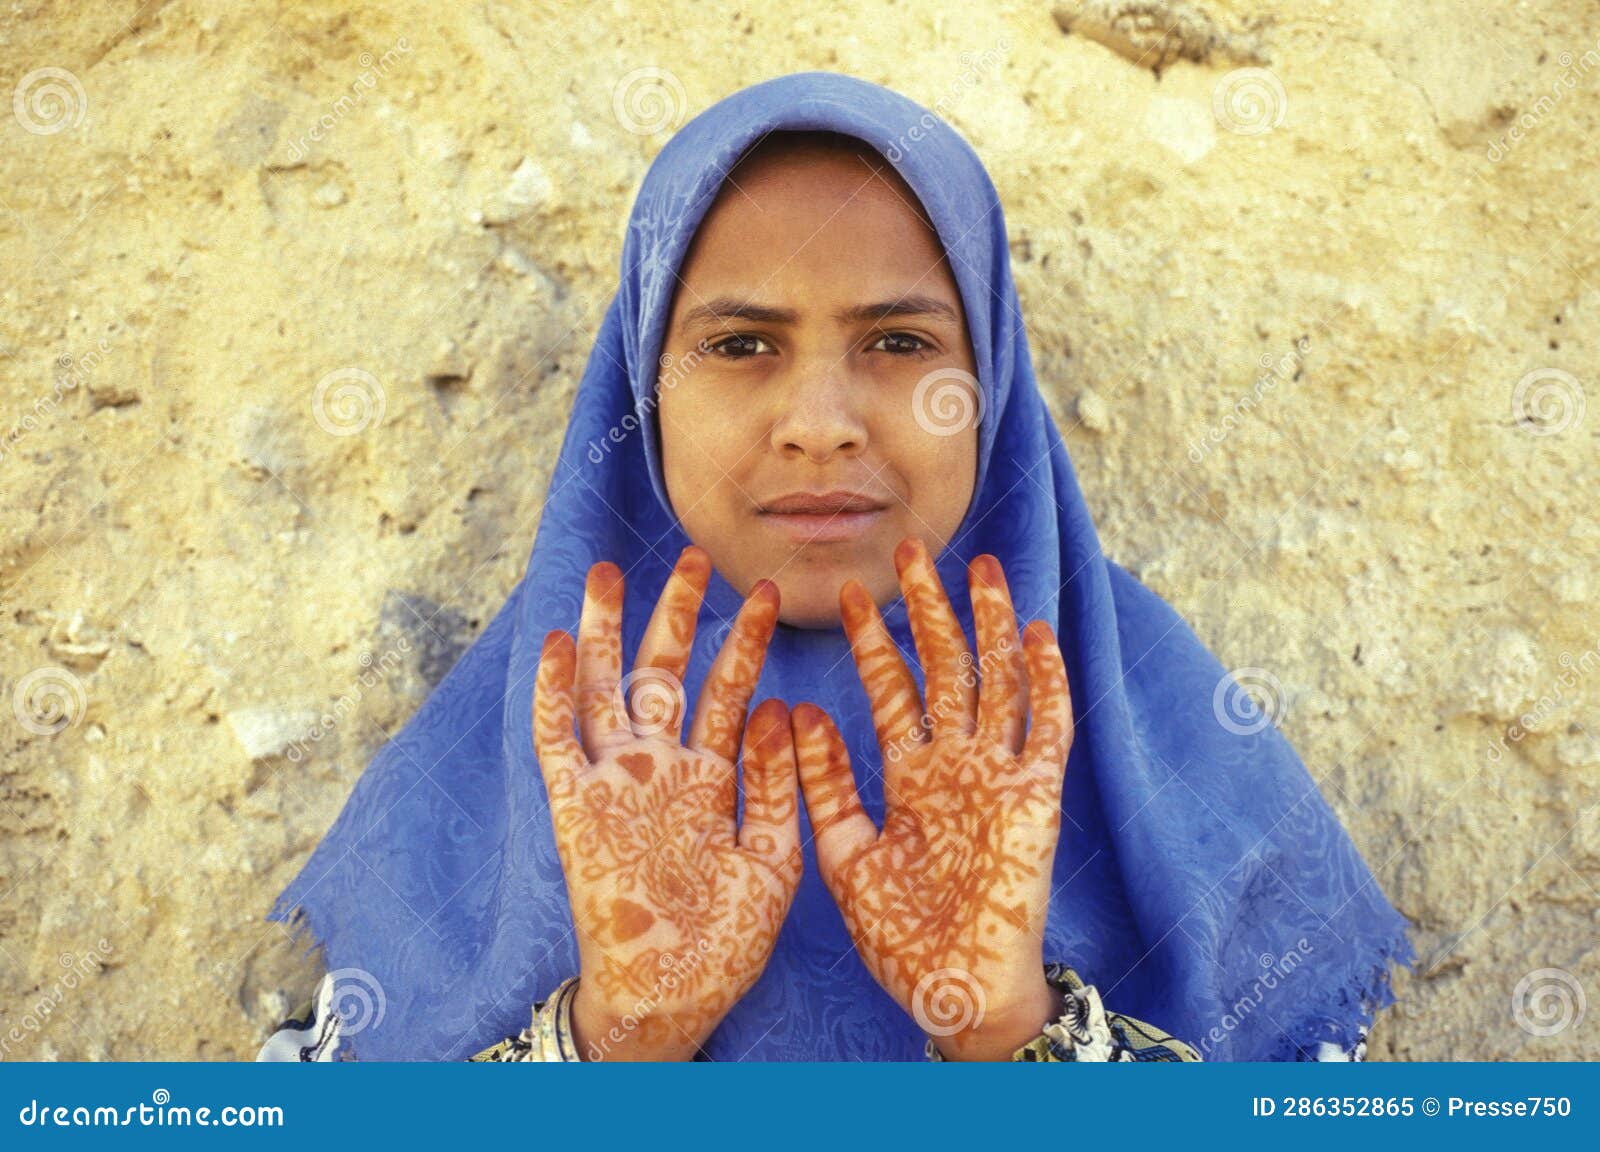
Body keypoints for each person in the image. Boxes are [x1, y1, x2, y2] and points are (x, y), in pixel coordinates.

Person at [256, 71, 1413, 1062]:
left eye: (900, 343)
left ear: (989, 387)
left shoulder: (1147, 732)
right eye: (740, 345)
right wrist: (615, 1039)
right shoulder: (534, 737)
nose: (819, 421)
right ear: (641, 389)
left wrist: (1009, 1028)